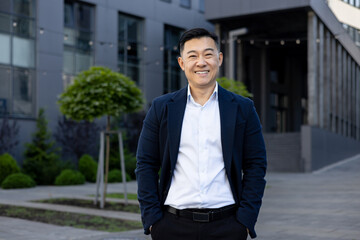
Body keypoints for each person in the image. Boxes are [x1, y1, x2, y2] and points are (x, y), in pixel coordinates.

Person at [136, 28, 266, 240]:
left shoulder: (243, 108)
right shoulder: (162, 108)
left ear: (219, 58)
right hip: (171, 226)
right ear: (182, 63)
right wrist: (152, 220)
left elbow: (255, 165)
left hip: (228, 226)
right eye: (193, 56)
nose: (201, 62)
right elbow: (146, 164)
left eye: (208, 54)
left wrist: (245, 220)